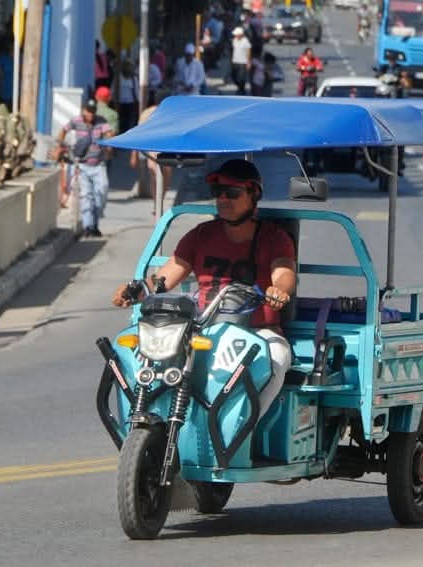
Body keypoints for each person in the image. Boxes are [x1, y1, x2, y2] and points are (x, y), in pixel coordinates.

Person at [111, 159, 296, 417]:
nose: (223, 199)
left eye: (232, 193)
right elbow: (164, 278)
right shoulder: (200, 235)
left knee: (276, 357)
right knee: (143, 362)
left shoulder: (274, 238)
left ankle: (243, 429)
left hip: (258, 332)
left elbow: (284, 274)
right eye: (217, 192)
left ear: (254, 194)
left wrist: (279, 290)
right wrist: (136, 291)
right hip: (203, 329)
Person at [54, 98, 113, 237]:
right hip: (83, 165)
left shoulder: (101, 121)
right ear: (83, 110)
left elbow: (109, 132)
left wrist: (109, 143)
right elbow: (63, 130)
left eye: (93, 112)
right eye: (88, 112)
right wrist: (60, 146)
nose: (90, 115)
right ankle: (88, 227)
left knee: (102, 191)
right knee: (86, 195)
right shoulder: (76, 121)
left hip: (99, 164)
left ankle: (95, 223)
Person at [230, 27, 252, 96]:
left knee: (242, 78)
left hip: (243, 62)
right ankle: (239, 87)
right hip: (235, 61)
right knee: (233, 76)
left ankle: (241, 90)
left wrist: (248, 62)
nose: (236, 36)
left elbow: (248, 51)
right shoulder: (234, 40)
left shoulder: (245, 41)